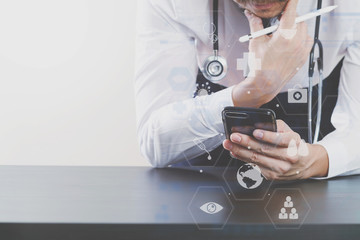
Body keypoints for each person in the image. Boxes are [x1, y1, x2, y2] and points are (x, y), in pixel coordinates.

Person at [134, 0, 360, 180]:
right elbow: (155, 144)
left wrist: (317, 160)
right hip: (203, 196)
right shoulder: (171, 4)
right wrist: (257, 89)